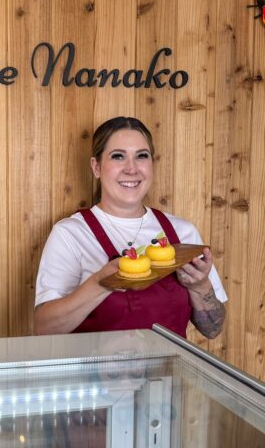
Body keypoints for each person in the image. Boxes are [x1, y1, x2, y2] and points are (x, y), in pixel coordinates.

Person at [34, 116, 227, 338]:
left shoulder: (182, 232)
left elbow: (213, 329)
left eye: (141, 156)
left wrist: (199, 286)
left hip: (167, 372)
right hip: (95, 373)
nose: (131, 169)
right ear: (96, 167)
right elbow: (44, 328)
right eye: (118, 157)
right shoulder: (71, 233)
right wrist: (101, 283)